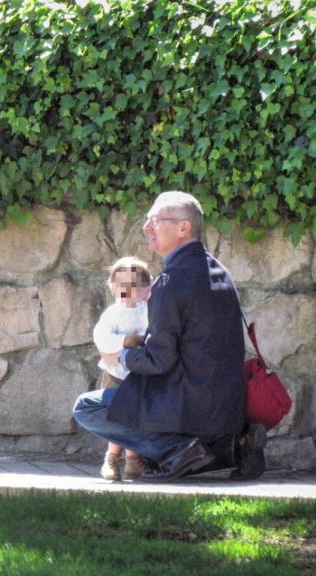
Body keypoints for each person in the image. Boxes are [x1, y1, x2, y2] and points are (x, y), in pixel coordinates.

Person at [72, 191, 265, 482]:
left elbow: (159, 360)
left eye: (155, 220)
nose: (146, 227)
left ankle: (179, 450)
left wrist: (121, 355)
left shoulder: (171, 281)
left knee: (87, 407)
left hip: (187, 405)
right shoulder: (220, 272)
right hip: (226, 408)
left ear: (183, 227)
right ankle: (230, 449)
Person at [93, 256, 151, 481]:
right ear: (112, 287)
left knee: (136, 416)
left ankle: (133, 459)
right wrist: (126, 341)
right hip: (115, 374)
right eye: (122, 285)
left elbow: (151, 333)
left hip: (139, 374)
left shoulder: (146, 311)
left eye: (134, 285)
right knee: (115, 416)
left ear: (145, 288)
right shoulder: (112, 314)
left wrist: (142, 341)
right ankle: (111, 458)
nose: (128, 291)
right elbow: (102, 337)